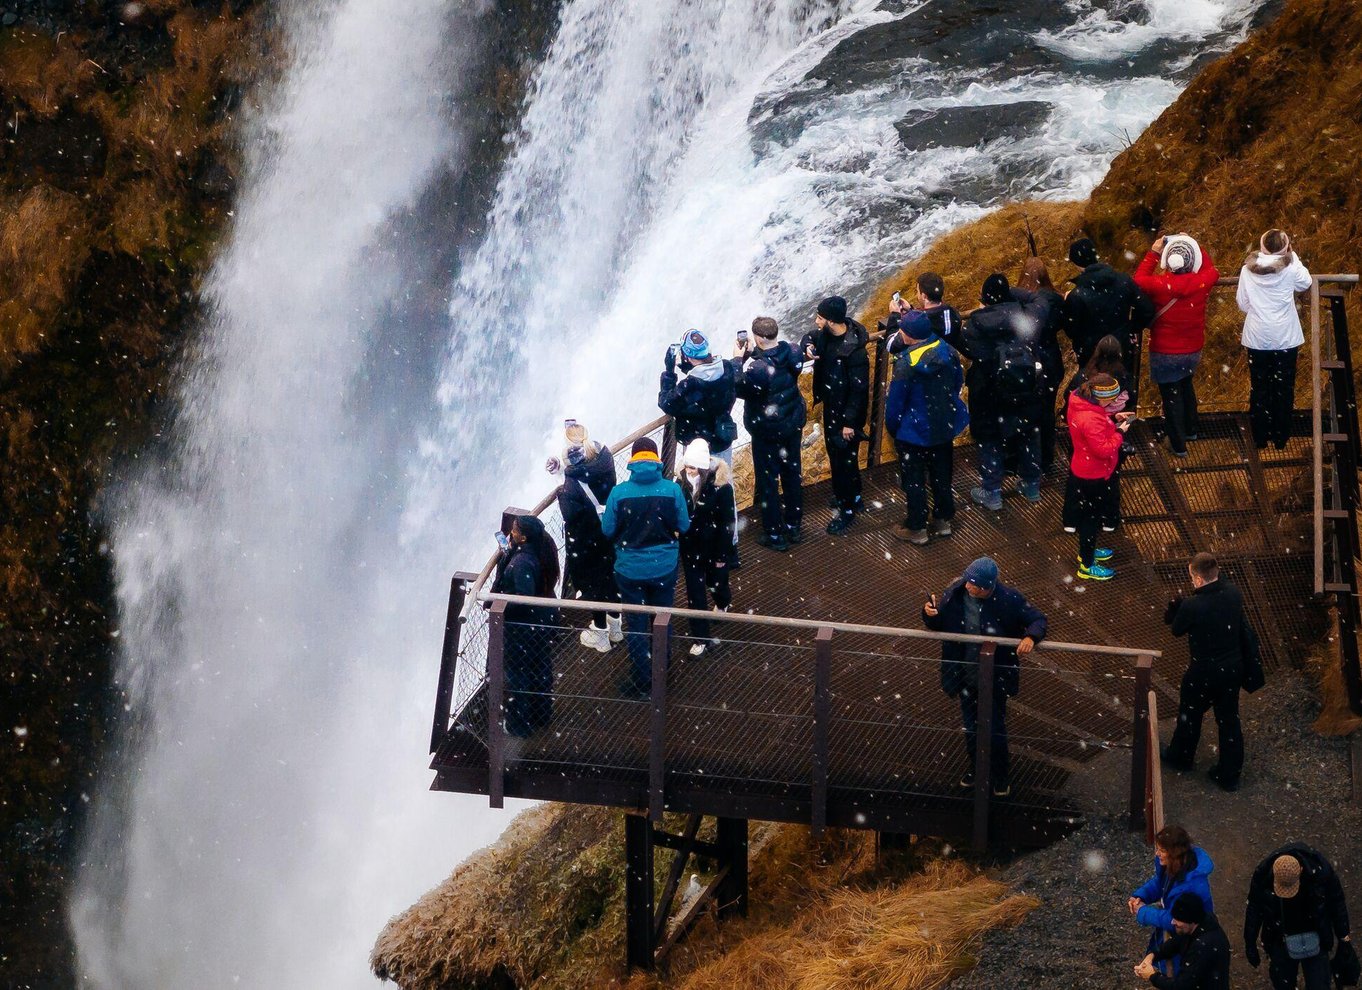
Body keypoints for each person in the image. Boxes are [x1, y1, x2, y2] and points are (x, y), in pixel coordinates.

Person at [922, 557, 1047, 797]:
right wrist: (929, 614)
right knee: (971, 728)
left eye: (973, 584)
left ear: (987, 587)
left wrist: (1031, 636)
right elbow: (938, 623)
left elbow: (1038, 619)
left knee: (995, 728)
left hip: (994, 676)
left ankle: (999, 775)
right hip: (966, 674)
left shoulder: (1009, 599)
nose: (967, 586)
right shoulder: (957, 592)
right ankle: (977, 769)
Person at [601, 437, 690, 698]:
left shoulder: (619, 493)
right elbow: (684, 526)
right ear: (655, 459)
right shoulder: (672, 490)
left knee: (637, 625)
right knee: (662, 618)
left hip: (630, 570)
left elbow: (607, 530)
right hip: (664, 567)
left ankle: (643, 681)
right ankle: (663, 671)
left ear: (633, 459)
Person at [1161, 552, 1251, 790]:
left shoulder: (1193, 605)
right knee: (1229, 720)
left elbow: (1176, 629)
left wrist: (1177, 606)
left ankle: (1181, 757)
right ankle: (1229, 774)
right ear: (1217, 571)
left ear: (1198, 579)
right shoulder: (1234, 593)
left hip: (1203, 671)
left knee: (1190, 714)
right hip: (1232, 667)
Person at [883, 308, 968, 544]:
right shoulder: (946, 350)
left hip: (914, 432)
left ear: (909, 335)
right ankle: (943, 520)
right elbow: (957, 382)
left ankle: (917, 526)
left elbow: (895, 404)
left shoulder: (906, 364)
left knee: (914, 480)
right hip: (942, 424)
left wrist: (895, 429)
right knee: (942, 474)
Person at [962, 273, 1044, 511]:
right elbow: (1040, 300)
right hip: (1024, 386)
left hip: (988, 392)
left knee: (990, 439)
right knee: (1028, 433)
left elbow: (969, 349)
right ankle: (1031, 485)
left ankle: (992, 492)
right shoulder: (1028, 318)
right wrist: (1014, 294)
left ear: (984, 299)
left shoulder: (975, 326)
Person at [1134, 234, 1221, 457]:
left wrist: (1154, 253)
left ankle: (1177, 445)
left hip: (1164, 351)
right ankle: (1191, 430)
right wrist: (1193, 243)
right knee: (1185, 387)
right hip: (1192, 350)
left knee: (1171, 397)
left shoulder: (1158, 285)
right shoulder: (1200, 282)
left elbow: (1138, 278)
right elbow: (1212, 270)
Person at [734, 316, 806, 551]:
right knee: (792, 474)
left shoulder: (758, 370)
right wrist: (757, 354)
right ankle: (794, 525)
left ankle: (775, 534)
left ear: (756, 337)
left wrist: (737, 359)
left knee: (768, 482)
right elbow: (781, 367)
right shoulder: (792, 352)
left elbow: (739, 387)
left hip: (767, 433)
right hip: (791, 426)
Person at [549, 420, 621, 652]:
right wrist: (563, 468)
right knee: (609, 577)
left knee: (593, 585)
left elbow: (571, 514)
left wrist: (562, 481)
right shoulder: (604, 458)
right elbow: (585, 473)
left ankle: (600, 635)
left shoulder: (571, 487)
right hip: (609, 528)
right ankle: (616, 626)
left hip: (586, 539)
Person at [1238, 228, 1312, 450]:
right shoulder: (1290, 268)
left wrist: (1259, 310)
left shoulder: (1246, 270)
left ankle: (1260, 436)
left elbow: (1242, 303)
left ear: (1262, 246)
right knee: (1284, 387)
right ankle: (1281, 436)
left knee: (1259, 387)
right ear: (1286, 247)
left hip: (1257, 336)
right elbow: (1305, 282)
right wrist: (1293, 256)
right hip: (1285, 338)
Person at [802, 295, 870, 534]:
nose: (816, 321)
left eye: (819, 317)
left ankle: (847, 509)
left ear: (830, 320)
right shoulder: (829, 335)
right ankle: (855, 496)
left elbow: (859, 390)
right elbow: (809, 336)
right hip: (834, 409)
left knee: (842, 463)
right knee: (844, 460)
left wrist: (849, 422)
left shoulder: (854, 353)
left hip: (845, 417)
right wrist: (807, 348)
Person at [489, 515, 562, 737]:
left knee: (516, 674)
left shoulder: (522, 563)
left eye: (514, 530)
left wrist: (498, 605)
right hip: (542, 621)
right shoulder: (540, 551)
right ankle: (541, 715)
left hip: (523, 627)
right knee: (540, 667)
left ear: (523, 537)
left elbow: (524, 596)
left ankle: (518, 726)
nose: (511, 533)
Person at [1244, 844, 1353, 990]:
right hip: (1280, 937)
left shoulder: (1321, 873)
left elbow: (1337, 902)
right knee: (1283, 984)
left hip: (1316, 935)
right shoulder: (1263, 875)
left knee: (1319, 985)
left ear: (1301, 870)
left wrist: (1343, 936)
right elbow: (1254, 908)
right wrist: (1250, 941)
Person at [1063, 236, 1155, 401]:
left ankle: (1101, 424)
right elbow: (1147, 309)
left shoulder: (1077, 295)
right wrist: (1130, 328)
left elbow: (1071, 330)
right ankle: (1122, 422)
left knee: (1095, 397)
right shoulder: (1123, 281)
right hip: (1121, 347)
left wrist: (1067, 305)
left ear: (1076, 263)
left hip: (1091, 354)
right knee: (1122, 393)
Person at [1064, 375, 1134, 580]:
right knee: (1091, 519)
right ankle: (1086, 564)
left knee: (1088, 515)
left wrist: (1113, 420)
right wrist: (1120, 433)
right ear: (1104, 397)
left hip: (1081, 467)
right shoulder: (1091, 417)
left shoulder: (1081, 403)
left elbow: (1094, 431)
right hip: (1093, 474)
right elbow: (1103, 449)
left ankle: (1088, 550)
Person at [677, 439, 734, 657]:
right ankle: (701, 637)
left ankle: (723, 601)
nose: (688, 471)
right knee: (695, 593)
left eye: (693, 468)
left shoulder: (722, 489)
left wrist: (722, 555)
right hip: (690, 548)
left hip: (713, 547)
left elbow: (727, 524)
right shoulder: (680, 483)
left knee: (716, 582)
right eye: (687, 466)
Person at [1130, 825, 1217, 966]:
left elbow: (1174, 920)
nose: (1157, 853)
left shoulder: (1191, 886)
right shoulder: (1176, 865)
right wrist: (1141, 895)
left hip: (1190, 939)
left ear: (1175, 853)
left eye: (1162, 850)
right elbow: (1161, 884)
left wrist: (1142, 911)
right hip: (1183, 935)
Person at [658, 328, 739, 467]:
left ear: (686, 355)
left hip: (697, 447)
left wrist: (669, 371)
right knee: (723, 480)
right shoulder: (727, 368)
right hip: (722, 440)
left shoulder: (689, 386)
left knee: (698, 484)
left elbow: (666, 403)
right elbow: (707, 374)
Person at [1016, 258, 1067, 472]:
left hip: (1028, 360)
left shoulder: (1019, 302)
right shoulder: (1055, 300)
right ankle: (1047, 457)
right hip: (1050, 359)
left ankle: (1028, 461)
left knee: (1027, 412)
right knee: (1047, 411)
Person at [1134, 893, 1231, 990]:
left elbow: (1181, 986)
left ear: (1191, 921)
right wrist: (1152, 955)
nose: (1173, 922)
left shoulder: (1203, 947)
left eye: (1177, 920)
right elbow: (1174, 944)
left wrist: (1152, 976)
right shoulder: (1196, 927)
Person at [886, 272, 964, 355]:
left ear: (924, 296)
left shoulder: (922, 322)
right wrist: (910, 311)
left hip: (926, 363)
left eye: (917, 291)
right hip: (948, 360)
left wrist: (895, 315)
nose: (917, 295)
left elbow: (890, 345)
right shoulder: (952, 312)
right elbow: (935, 318)